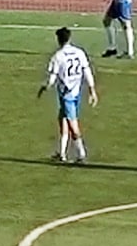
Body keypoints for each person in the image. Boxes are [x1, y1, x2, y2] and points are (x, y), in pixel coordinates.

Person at [38, 26, 98, 164]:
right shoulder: (79, 52)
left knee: (72, 124)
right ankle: (62, 153)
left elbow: (52, 80)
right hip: (77, 90)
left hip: (66, 94)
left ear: (58, 39)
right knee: (63, 119)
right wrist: (92, 90)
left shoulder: (58, 56)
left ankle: (81, 153)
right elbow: (87, 72)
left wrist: (43, 87)